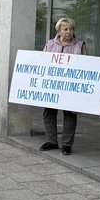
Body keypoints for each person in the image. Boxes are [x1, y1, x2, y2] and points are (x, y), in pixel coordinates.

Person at [39, 18, 88, 155]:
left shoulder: (80, 45)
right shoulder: (50, 44)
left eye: (71, 29)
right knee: (49, 112)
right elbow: (42, 62)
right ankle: (52, 141)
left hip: (71, 86)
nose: (69, 32)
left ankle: (67, 144)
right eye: (65, 29)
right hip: (52, 85)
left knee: (70, 114)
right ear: (59, 31)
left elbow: (87, 65)